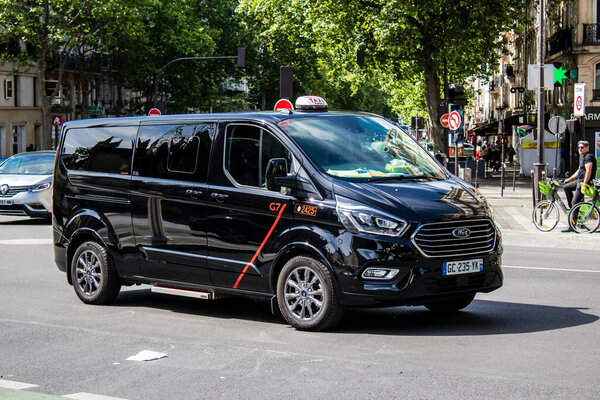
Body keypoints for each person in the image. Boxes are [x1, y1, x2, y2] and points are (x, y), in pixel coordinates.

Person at [562, 140, 597, 232]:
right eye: (579, 147)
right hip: (579, 181)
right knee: (566, 187)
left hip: (583, 182)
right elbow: (579, 171)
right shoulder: (583, 157)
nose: (580, 149)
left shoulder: (589, 157)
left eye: (582, 147)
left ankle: (572, 225)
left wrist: (584, 184)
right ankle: (574, 210)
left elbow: (588, 171)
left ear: (587, 148)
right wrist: (569, 180)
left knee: (575, 202)